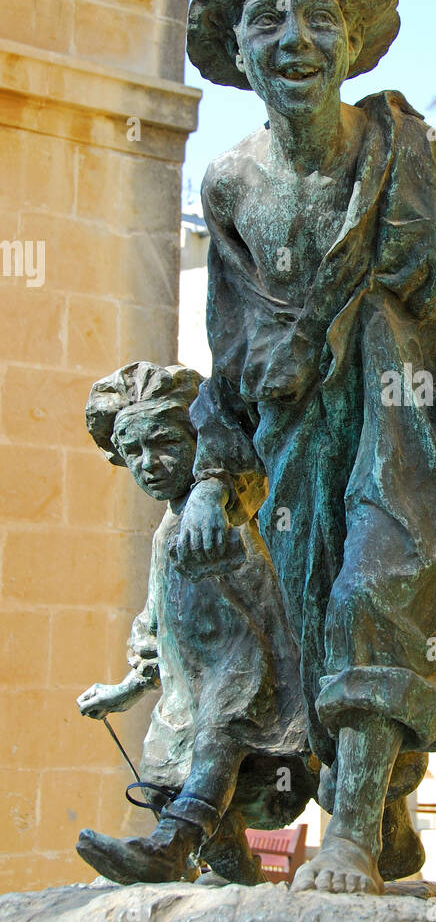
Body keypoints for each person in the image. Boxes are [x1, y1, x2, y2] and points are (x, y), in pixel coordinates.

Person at [176, 0, 436, 895]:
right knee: (310, 615)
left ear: (349, 42)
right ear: (241, 51)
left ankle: (348, 834)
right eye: (268, 17)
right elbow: (229, 349)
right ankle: (373, 810)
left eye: (317, 15)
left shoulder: (412, 152)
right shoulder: (231, 185)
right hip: (298, 439)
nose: (293, 34)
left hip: (405, 422)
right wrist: (216, 479)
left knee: (378, 592)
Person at [75, 361, 318, 885]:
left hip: (249, 672)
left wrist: (217, 492)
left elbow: (246, 484)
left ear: (198, 440)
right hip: (191, 690)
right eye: (132, 452)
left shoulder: (222, 505)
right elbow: (156, 624)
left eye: (164, 442)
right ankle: (233, 875)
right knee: (164, 775)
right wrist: (125, 690)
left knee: (220, 738)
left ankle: (170, 847)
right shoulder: (167, 530)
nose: (149, 463)